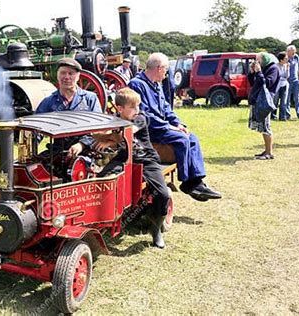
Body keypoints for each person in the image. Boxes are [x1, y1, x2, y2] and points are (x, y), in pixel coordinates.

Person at [128, 52, 221, 202]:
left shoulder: (156, 85)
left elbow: (166, 109)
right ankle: (187, 183)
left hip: (162, 128)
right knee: (182, 140)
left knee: (192, 138)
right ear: (159, 68)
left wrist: (178, 123)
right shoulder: (137, 84)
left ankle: (196, 182)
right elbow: (143, 115)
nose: (166, 74)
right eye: (165, 70)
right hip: (150, 131)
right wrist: (169, 127)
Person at [94, 88, 170, 248]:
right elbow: (98, 133)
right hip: (123, 159)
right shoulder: (113, 119)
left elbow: (127, 133)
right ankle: (102, 218)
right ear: (120, 109)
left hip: (146, 160)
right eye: (133, 107)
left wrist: (109, 140)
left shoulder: (140, 118)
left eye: (138, 106)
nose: (138, 110)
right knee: (101, 181)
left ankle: (156, 229)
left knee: (162, 194)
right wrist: (108, 139)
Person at [36, 58, 102, 156]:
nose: (66, 77)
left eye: (71, 73)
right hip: (57, 152)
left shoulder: (90, 99)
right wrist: (30, 148)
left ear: (78, 76)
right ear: (57, 76)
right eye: (63, 73)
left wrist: (81, 144)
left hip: (85, 151)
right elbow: (37, 129)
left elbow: (98, 128)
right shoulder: (49, 102)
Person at [247, 52, 280, 160]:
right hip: (258, 99)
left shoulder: (273, 69)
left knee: (266, 126)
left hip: (265, 101)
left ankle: (269, 153)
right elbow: (254, 83)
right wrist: (252, 73)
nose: (257, 62)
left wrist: (259, 72)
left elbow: (267, 83)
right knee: (262, 126)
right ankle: (266, 150)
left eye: (258, 60)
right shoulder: (264, 68)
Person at [272, 52, 290, 120]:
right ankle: (273, 115)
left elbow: (287, 76)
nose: (287, 60)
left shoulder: (286, 66)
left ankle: (282, 117)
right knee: (275, 101)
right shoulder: (276, 66)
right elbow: (277, 76)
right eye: (285, 58)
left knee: (283, 102)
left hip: (285, 85)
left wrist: (288, 69)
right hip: (277, 85)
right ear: (281, 60)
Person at [286, 45, 299, 119]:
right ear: (288, 51)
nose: (293, 53)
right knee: (287, 98)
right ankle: (287, 114)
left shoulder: (296, 57)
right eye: (291, 52)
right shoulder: (285, 58)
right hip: (287, 81)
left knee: (298, 98)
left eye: (294, 51)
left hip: (296, 80)